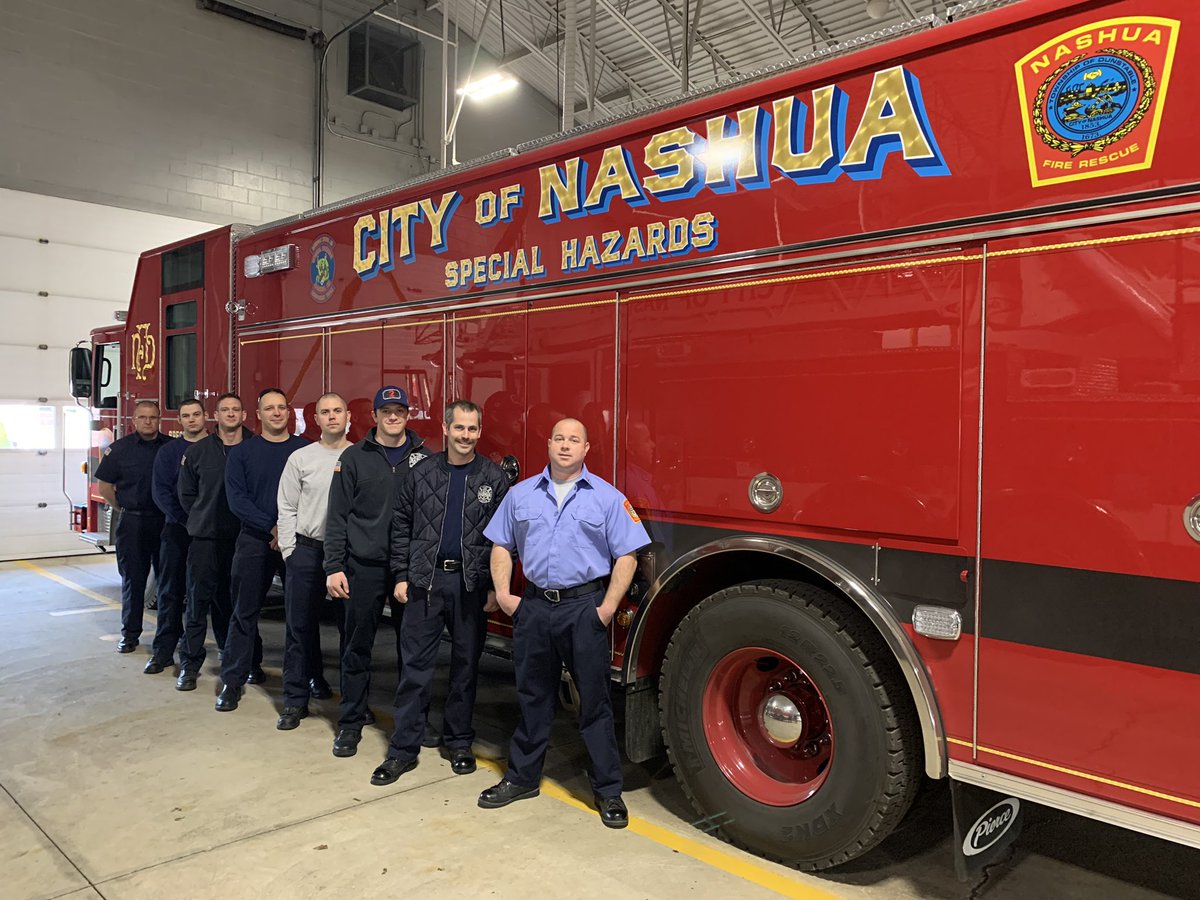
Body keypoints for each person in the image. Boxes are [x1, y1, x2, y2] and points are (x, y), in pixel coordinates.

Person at [478, 418, 649, 829]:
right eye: (559, 438)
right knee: (533, 697)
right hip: (534, 608)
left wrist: (606, 608)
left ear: (587, 448)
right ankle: (522, 778)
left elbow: (628, 554)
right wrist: (504, 594)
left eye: (574, 440)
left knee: (594, 703)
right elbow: (501, 544)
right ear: (549, 444)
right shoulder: (520, 495)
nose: (566, 446)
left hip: (583, 608)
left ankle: (608, 791)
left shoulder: (607, 498)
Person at [370, 400, 509, 785]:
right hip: (424, 584)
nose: (466, 436)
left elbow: (505, 539)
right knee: (415, 669)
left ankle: (460, 742)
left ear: (480, 432)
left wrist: (497, 588)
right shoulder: (422, 473)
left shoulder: (493, 479)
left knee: (466, 668)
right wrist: (401, 575)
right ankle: (402, 749)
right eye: (459, 428)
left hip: (470, 586)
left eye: (473, 429)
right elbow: (400, 525)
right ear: (445, 430)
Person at [324, 385, 427, 758]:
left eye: (399, 410)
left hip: (409, 570)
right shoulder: (353, 458)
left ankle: (413, 722)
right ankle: (350, 723)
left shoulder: (425, 458)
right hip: (362, 566)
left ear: (408, 414)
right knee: (356, 647)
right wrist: (334, 565)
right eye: (387, 411)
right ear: (376, 416)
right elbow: (336, 515)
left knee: (412, 650)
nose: (393, 416)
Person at [215, 388, 309, 712]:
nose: (277, 413)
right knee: (244, 613)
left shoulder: (304, 450)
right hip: (256, 540)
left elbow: (312, 496)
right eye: (269, 408)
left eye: (282, 407)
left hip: (295, 542)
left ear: (289, 412)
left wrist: (287, 529)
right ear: (259, 414)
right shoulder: (241, 453)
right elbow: (237, 500)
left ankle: (308, 678)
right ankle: (232, 681)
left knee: (300, 616)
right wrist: (272, 527)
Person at [274, 392, 351, 729]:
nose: (332, 417)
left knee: (351, 631)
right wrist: (291, 552)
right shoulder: (300, 458)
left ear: (348, 417)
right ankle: (294, 701)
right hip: (307, 551)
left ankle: (353, 703)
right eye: (325, 412)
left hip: (347, 557)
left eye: (337, 411)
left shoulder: (360, 457)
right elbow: (286, 507)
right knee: (299, 629)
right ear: (315, 419)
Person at [175, 393, 253, 692]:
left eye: (236, 409)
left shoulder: (254, 449)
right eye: (224, 410)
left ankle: (241, 664)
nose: (230, 414)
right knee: (197, 605)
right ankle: (189, 666)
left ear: (245, 415)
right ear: (215, 416)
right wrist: (202, 518)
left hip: (244, 540)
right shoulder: (197, 452)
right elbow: (186, 495)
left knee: (236, 607)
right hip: (205, 539)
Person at [94, 400, 170, 654]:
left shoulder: (171, 448)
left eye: (153, 417)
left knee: (169, 582)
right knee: (134, 581)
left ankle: (168, 637)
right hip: (134, 522)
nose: (148, 422)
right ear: (134, 421)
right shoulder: (119, 450)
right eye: (143, 417)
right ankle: (129, 635)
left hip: (165, 522)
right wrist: (121, 508)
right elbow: (105, 485)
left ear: (160, 420)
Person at [144, 398, 207, 674]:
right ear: (179, 421)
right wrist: (187, 520)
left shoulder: (217, 449)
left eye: (196, 414)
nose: (192, 419)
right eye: (186, 416)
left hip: (209, 535)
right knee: (170, 592)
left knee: (206, 595)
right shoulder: (168, 452)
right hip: (176, 531)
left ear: (206, 417)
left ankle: (197, 653)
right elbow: (161, 493)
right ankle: (163, 652)